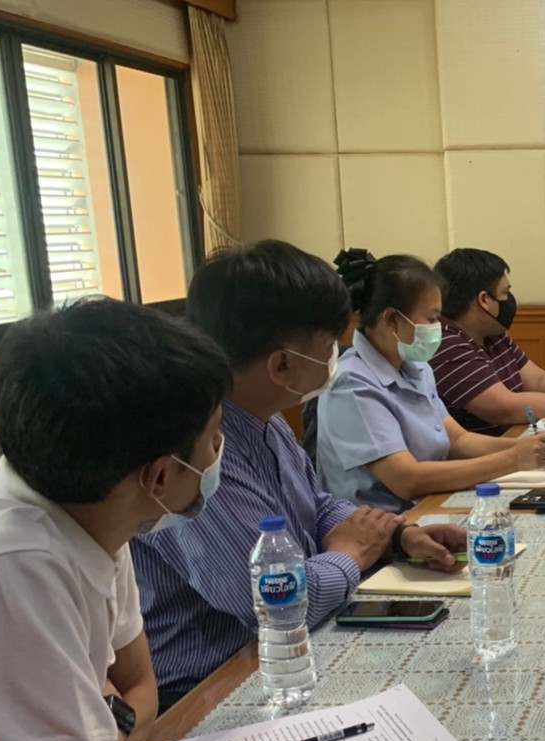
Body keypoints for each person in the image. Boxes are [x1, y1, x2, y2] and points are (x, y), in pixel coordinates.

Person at [133, 241, 470, 711]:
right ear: (282, 365)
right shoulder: (196, 454)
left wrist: (396, 536)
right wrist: (352, 554)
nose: (338, 355)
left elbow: (315, 505)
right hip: (212, 686)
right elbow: (280, 602)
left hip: (288, 655)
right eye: (330, 345)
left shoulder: (265, 419)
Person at [0, 299, 229, 741]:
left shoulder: (90, 520)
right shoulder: (16, 565)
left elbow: (141, 687)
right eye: (214, 438)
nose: (219, 452)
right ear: (158, 477)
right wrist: (101, 719)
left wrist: (95, 719)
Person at [318, 251, 545, 511]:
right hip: (385, 524)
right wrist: (513, 459)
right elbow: (407, 479)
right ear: (392, 319)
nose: (439, 328)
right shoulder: (352, 384)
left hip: (431, 504)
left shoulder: (416, 367)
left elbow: (458, 440)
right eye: (432, 318)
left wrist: (528, 448)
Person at [431, 248, 545, 434]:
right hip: (489, 449)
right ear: (484, 300)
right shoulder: (446, 344)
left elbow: (539, 381)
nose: (509, 300)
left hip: (515, 439)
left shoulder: (493, 334)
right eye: (505, 293)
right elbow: (503, 408)